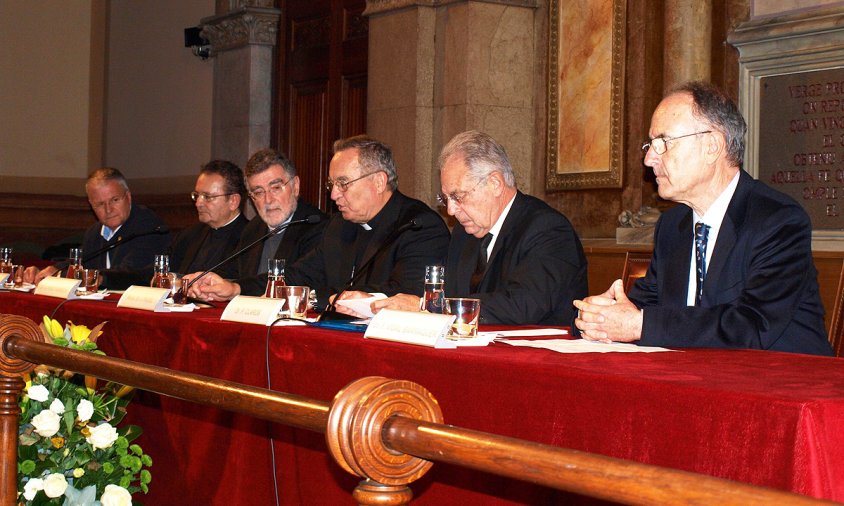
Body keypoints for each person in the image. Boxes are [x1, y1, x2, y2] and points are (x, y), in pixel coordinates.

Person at [574, 81, 832, 356]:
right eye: (650, 145)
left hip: (786, 385)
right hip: (700, 383)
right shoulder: (673, 226)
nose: (649, 159)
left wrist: (639, 325)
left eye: (663, 142)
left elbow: (751, 326)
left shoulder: (778, 221)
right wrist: (597, 315)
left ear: (712, 146)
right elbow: (642, 306)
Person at [189, 136, 450, 308]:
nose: (334, 194)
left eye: (343, 184)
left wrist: (322, 297)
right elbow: (296, 274)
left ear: (379, 181)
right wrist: (234, 288)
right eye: (332, 184)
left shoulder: (419, 226)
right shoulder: (339, 226)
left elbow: (406, 294)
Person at [373, 130, 588, 325]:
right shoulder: (464, 233)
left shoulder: (547, 229)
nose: (450, 210)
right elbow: (444, 292)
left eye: (458, 196)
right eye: (445, 198)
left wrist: (428, 307)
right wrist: (377, 301)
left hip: (537, 359)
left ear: (494, 183)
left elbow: (522, 305)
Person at [184, 148, 325, 296]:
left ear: (295, 186)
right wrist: (206, 280)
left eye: (275, 188)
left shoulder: (316, 226)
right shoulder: (254, 228)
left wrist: (237, 288)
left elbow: (296, 279)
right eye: (258, 192)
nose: (268, 200)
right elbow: (233, 270)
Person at [25, 167, 171, 289]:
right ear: (91, 205)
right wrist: (55, 270)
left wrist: (97, 277)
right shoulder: (94, 232)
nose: (109, 210)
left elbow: (132, 273)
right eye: (100, 204)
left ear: (128, 197)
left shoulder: (148, 225)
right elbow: (85, 260)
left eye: (115, 200)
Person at [168, 160, 248, 276]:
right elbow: (163, 270)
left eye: (207, 196)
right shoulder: (189, 235)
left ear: (233, 201)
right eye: (196, 195)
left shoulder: (249, 240)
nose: (198, 203)